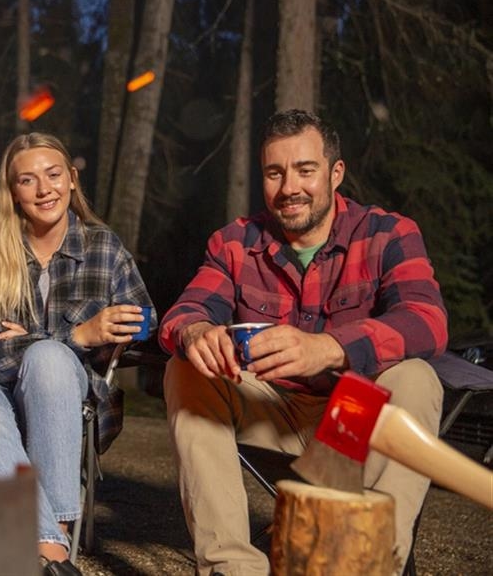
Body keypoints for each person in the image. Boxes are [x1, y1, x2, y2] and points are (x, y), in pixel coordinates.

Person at [160, 109, 447, 576]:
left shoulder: (387, 233)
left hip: (352, 419)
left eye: (305, 170)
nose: (289, 187)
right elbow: (184, 313)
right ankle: (232, 567)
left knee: (416, 377)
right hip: (271, 412)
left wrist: (329, 348)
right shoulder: (235, 243)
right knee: (186, 365)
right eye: (275, 173)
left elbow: (427, 321)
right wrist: (195, 333)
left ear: (336, 173)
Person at [0, 132, 155, 576]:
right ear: (13, 192)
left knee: (48, 360)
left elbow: (146, 320)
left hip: (61, 398)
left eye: (53, 175)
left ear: (71, 180)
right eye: (27, 180)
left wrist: (38, 340)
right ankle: (54, 554)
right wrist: (80, 335)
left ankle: (45, 548)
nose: (44, 189)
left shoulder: (103, 247)